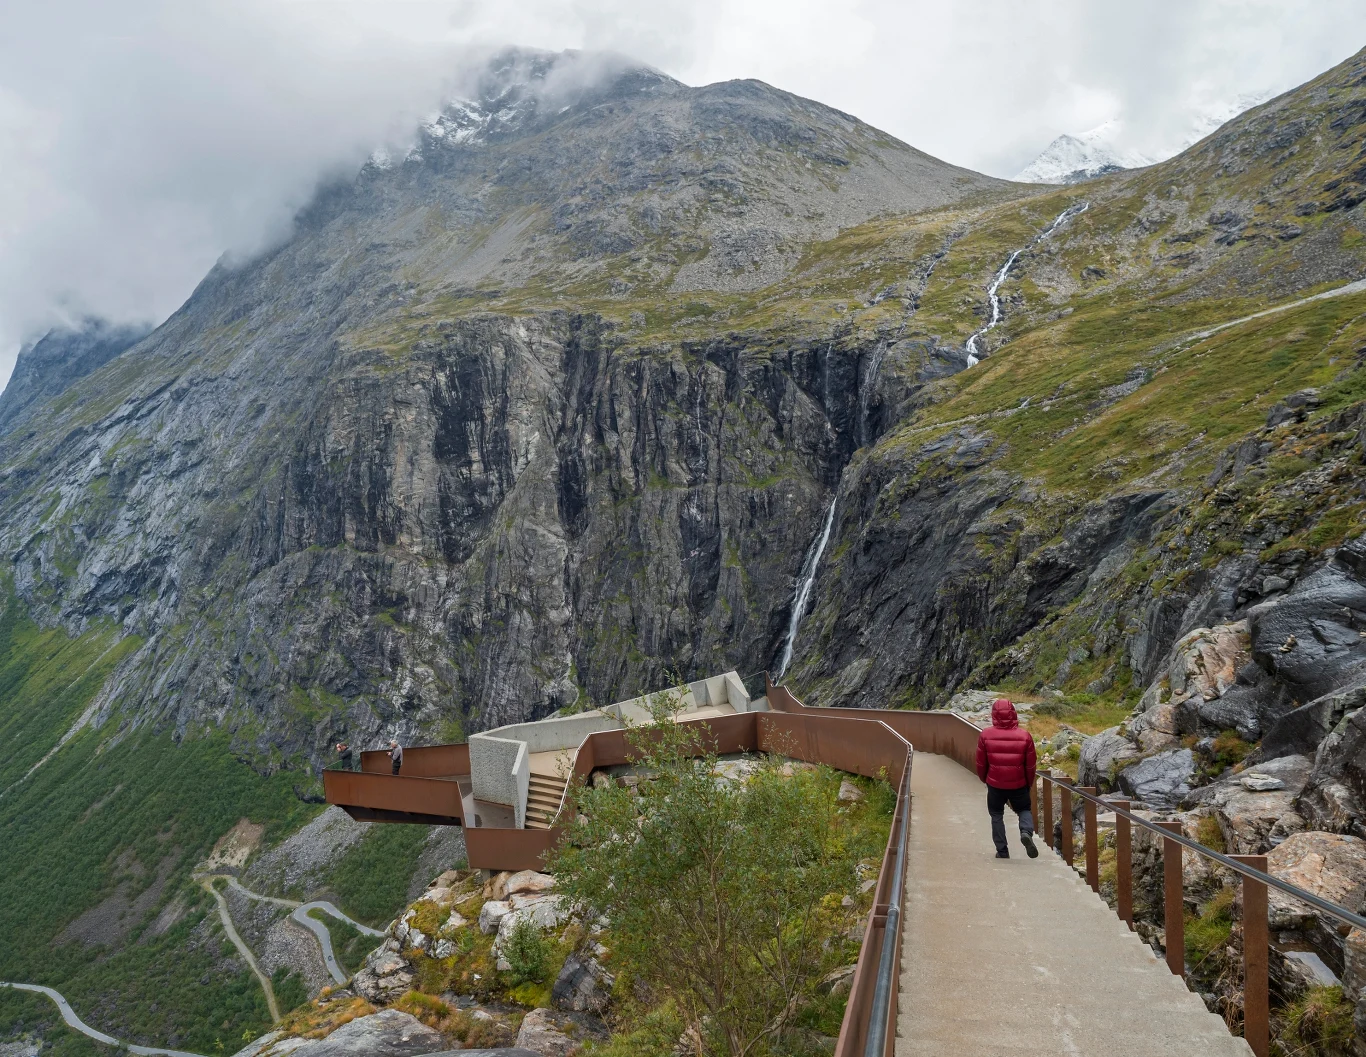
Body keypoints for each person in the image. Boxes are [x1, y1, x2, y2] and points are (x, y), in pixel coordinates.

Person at [974, 698, 1038, 859]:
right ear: (1013, 713)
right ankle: (1026, 832)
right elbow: (1030, 765)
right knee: (1024, 810)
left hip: (995, 783)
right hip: (1019, 783)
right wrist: (1028, 783)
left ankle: (1002, 851)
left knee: (996, 814)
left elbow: (981, 762)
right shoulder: (1025, 736)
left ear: (994, 714)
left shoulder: (985, 735)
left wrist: (985, 779)